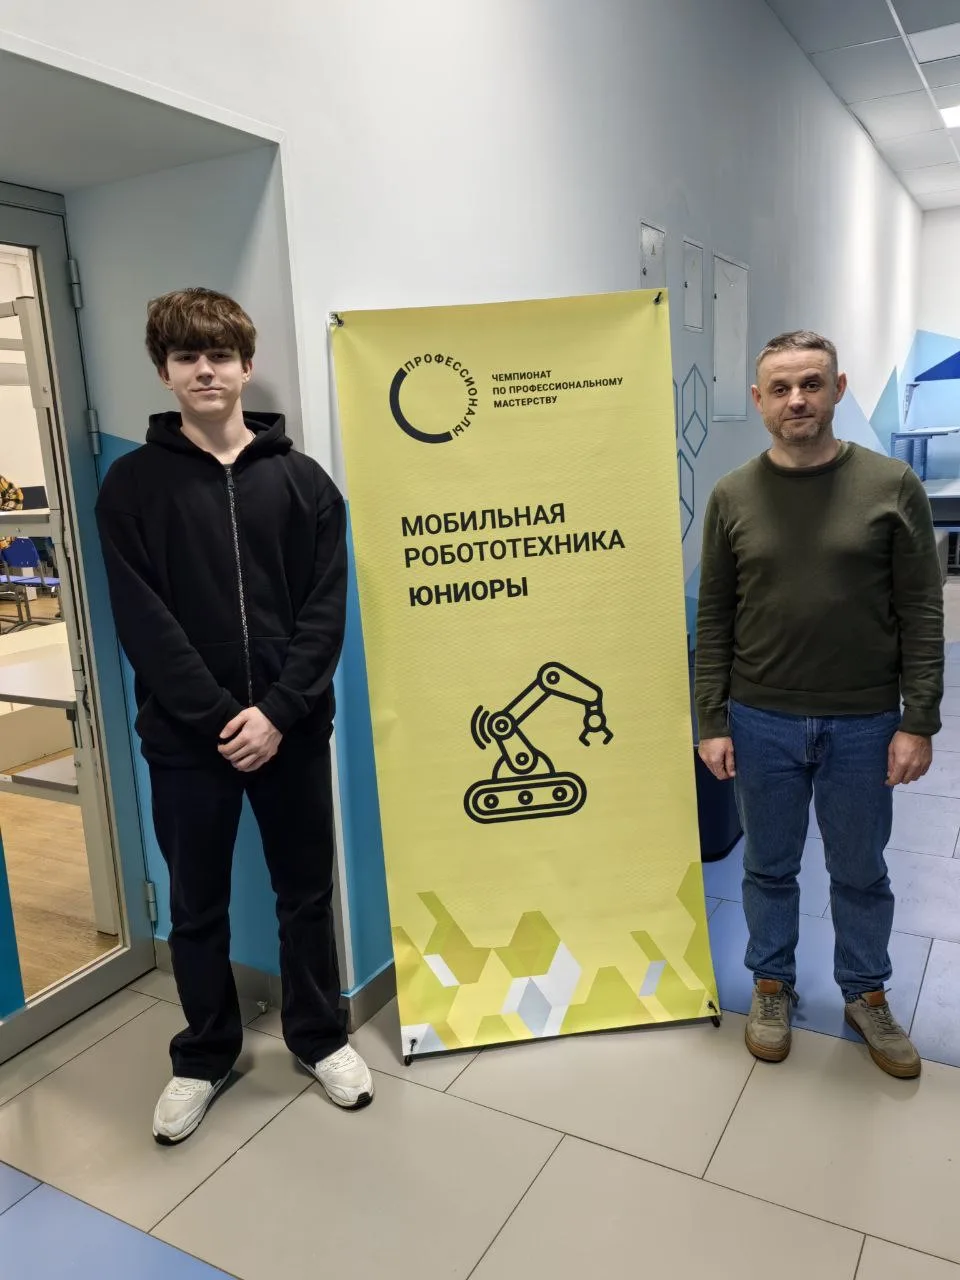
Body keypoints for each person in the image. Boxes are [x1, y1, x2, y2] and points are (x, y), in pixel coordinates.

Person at [96, 287, 373, 1144]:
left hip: (292, 734)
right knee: (196, 907)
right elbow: (144, 622)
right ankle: (205, 1055)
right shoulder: (131, 488)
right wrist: (223, 717)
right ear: (165, 372)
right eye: (186, 357)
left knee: (306, 894)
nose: (205, 371)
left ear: (247, 366)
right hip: (188, 743)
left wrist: (278, 713)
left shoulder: (304, 483)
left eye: (219, 355)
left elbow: (325, 612)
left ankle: (320, 1037)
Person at [695, 330, 944, 1080]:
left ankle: (866, 993)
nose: (796, 399)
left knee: (860, 871)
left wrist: (918, 719)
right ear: (759, 400)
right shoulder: (733, 495)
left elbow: (922, 609)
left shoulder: (891, 485)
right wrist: (711, 720)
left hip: (864, 722)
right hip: (760, 718)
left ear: (838, 388)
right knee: (768, 868)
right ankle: (772, 985)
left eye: (811, 383)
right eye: (781, 388)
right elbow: (715, 615)